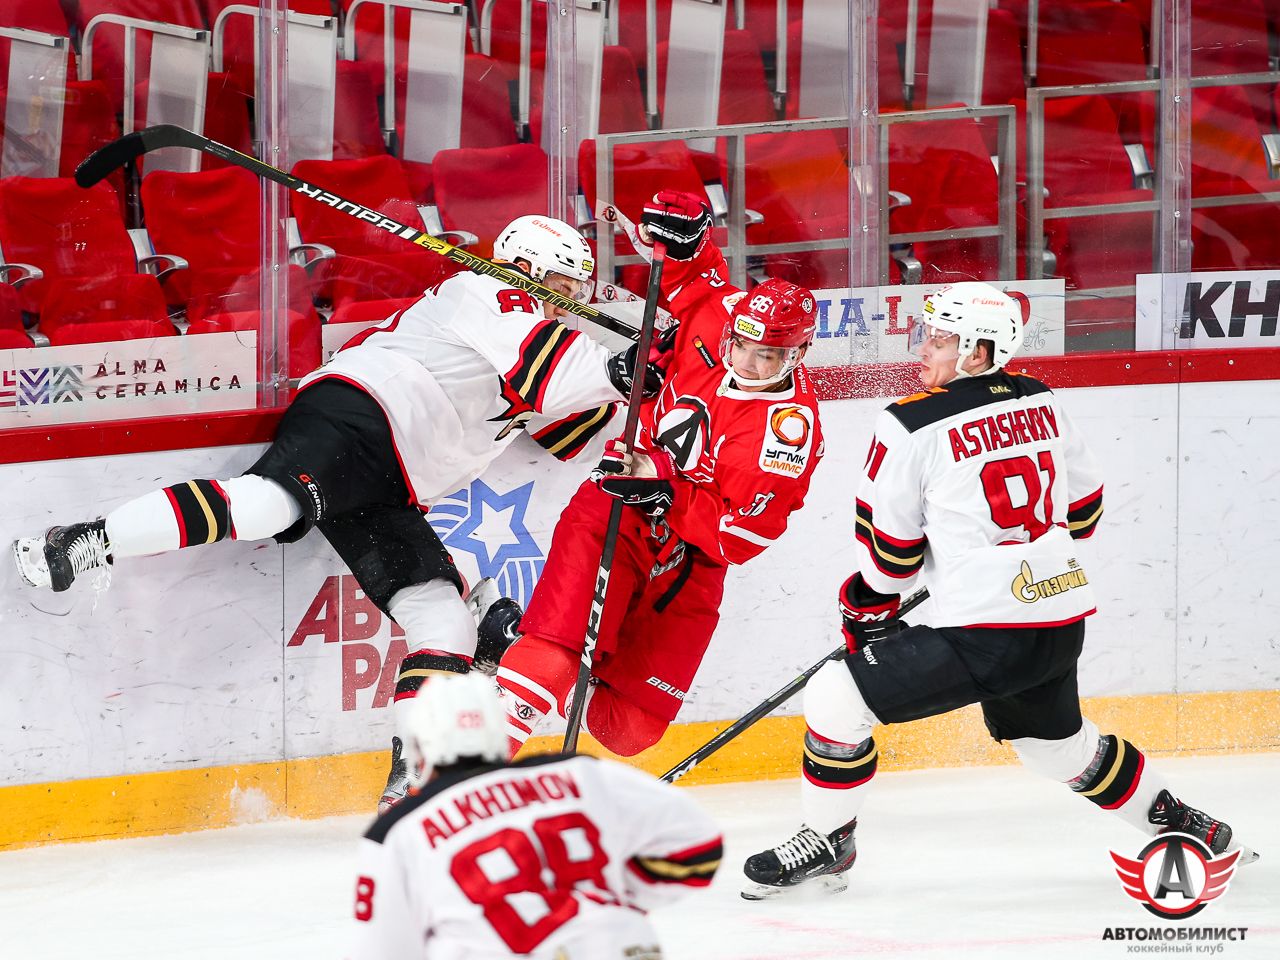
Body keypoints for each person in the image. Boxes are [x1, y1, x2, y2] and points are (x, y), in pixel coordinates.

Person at [12, 215, 663, 810]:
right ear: (524, 268)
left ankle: (414, 784)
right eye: (560, 284)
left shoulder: (546, 337)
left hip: (393, 481)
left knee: (443, 619)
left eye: (574, 290)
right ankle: (82, 542)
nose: (568, 300)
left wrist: (658, 376)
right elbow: (561, 373)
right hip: (360, 414)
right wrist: (634, 363)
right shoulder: (489, 292)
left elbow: (573, 429)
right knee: (268, 505)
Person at [740, 281, 1257, 899]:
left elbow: (891, 562)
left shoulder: (908, 422)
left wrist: (866, 603)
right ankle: (1181, 823)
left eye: (939, 340)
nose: (923, 350)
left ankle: (829, 842)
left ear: (978, 353)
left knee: (834, 696)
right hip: (1059, 620)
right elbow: (1085, 512)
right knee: (1056, 749)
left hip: (988, 631)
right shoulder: (1041, 398)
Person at [496, 190, 824, 758]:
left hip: (691, 554)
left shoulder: (783, 434)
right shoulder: (721, 316)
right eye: (741, 345)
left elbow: (742, 539)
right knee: (557, 649)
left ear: (796, 355)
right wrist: (687, 242)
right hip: (616, 506)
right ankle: (462, 771)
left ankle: (523, 647)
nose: (746, 362)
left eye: (767, 356)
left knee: (627, 730)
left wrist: (668, 496)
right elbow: (694, 277)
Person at [345, 671, 723, 960]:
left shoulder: (396, 831)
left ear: (420, 745)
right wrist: (615, 898)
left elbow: (385, 951)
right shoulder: (579, 772)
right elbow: (699, 846)